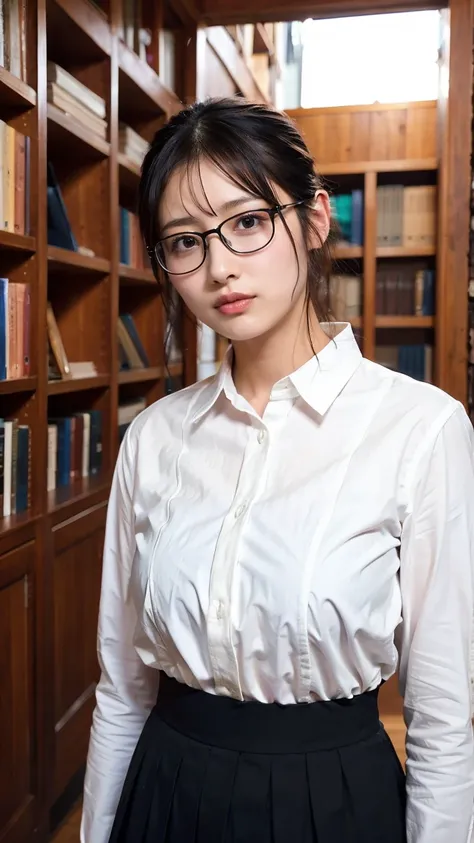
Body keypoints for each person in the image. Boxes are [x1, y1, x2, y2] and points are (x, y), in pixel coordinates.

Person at [80, 97, 474, 843]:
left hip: (331, 802)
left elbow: (444, 716)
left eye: (249, 222)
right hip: (166, 795)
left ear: (315, 218)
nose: (220, 266)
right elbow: (123, 690)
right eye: (185, 241)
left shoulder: (422, 430)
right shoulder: (154, 438)